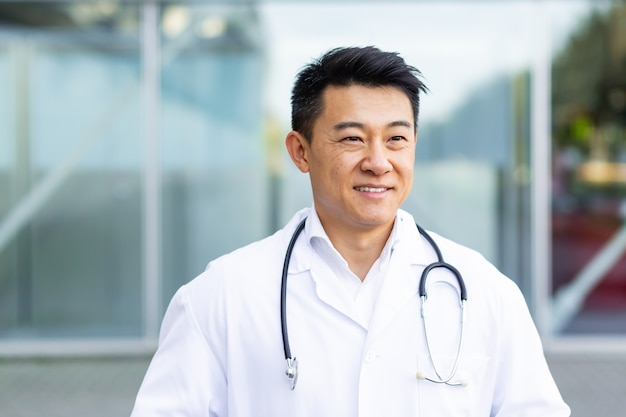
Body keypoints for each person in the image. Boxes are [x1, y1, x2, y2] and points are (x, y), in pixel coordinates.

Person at [130, 46, 570, 417]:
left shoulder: (487, 293)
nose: (378, 162)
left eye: (396, 139)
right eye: (352, 139)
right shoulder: (220, 296)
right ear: (300, 151)